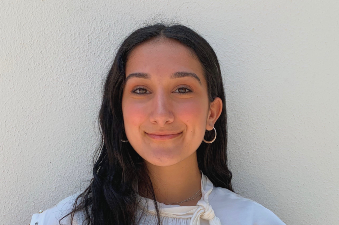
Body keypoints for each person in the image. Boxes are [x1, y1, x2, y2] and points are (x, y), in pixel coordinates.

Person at [30, 23, 286, 225]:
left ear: (212, 113)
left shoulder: (254, 220)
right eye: (141, 90)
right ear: (119, 111)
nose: (161, 114)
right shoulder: (64, 221)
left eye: (183, 89)